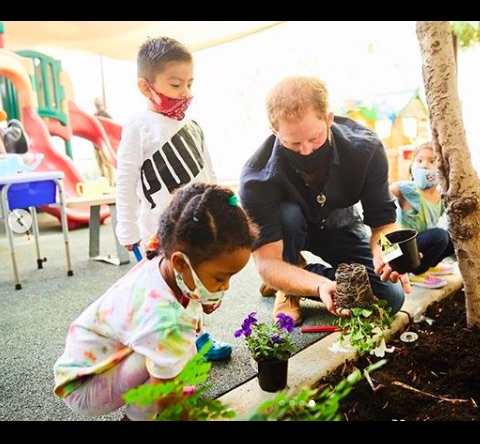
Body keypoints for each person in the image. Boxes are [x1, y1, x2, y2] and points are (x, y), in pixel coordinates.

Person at [53, 183, 259, 421]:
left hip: (86, 365)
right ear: (181, 263)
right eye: (220, 277)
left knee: (182, 348)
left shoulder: (162, 259)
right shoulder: (167, 322)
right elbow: (168, 400)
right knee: (176, 351)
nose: (226, 286)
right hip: (85, 386)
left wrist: (201, 299)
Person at [238, 75, 409, 326]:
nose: (306, 150)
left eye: (315, 138)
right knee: (289, 215)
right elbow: (267, 261)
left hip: (340, 227)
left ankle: (293, 277)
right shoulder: (257, 178)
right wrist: (319, 287)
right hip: (288, 235)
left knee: (390, 298)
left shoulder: (366, 150)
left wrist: (389, 254)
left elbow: (383, 224)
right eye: (293, 142)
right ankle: (289, 286)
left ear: (329, 119)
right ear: (274, 131)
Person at [115, 36, 226, 361]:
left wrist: (219, 210)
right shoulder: (138, 127)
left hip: (197, 227)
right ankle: (166, 347)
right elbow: (125, 179)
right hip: (158, 233)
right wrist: (127, 229)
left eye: (190, 83)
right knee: (164, 291)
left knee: (196, 285)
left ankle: (199, 338)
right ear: (146, 86)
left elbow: (209, 173)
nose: (186, 93)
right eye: (176, 84)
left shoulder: (193, 127)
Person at [389, 142, 455, 289]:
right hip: (405, 247)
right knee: (440, 236)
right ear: (412, 165)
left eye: (432, 161)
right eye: (419, 160)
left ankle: (429, 266)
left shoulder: (440, 195)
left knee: (452, 237)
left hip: (421, 244)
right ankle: (415, 273)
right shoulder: (409, 189)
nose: (424, 166)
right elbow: (386, 192)